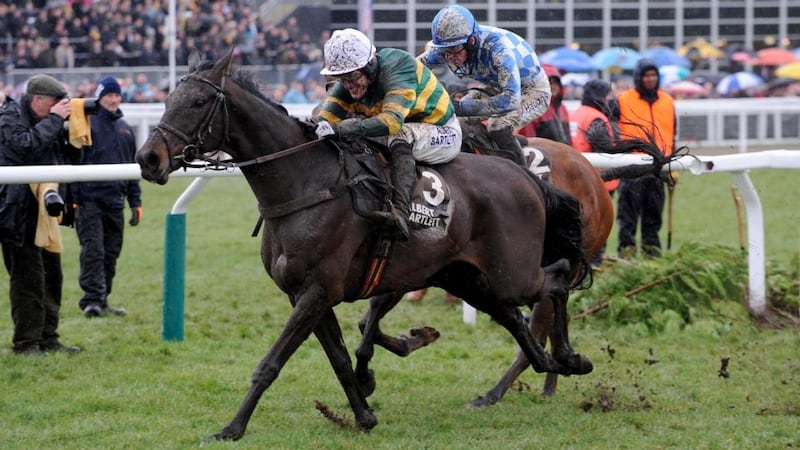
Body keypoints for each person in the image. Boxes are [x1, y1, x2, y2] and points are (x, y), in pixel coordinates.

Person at [314, 28, 462, 241]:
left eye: (352, 75)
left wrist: (340, 129)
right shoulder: (348, 83)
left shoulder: (398, 66)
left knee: (398, 134)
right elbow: (322, 123)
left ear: (370, 66)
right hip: (409, 128)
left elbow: (392, 121)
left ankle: (400, 213)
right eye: (340, 78)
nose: (347, 84)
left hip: (443, 131)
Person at [0, 74, 81, 355]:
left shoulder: (49, 120)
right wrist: (56, 120)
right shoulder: (9, 116)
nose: (61, 107)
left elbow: (63, 161)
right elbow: (25, 147)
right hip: (16, 212)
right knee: (28, 280)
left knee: (52, 276)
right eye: (56, 103)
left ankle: (48, 339)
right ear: (37, 100)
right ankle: (26, 344)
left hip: (45, 211)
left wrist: (75, 132)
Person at [418, 5, 550, 166]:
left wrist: (460, 106)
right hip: (497, 88)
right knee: (453, 120)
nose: (450, 56)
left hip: (532, 91)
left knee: (498, 126)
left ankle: (524, 175)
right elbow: (413, 67)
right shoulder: (450, 45)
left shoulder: (499, 50)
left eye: (455, 49)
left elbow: (510, 101)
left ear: (472, 41)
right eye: (445, 50)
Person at [72, 76, 142, 318]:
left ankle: (103, 299)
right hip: (88, 200)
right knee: (94, 250)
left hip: (115, 201)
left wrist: (136, 202)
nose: (113, 100)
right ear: (99, 98)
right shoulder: (86, 124)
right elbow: (74, 163)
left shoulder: (125, 129)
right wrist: (74, 201)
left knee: (111, 251)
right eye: (108, 95)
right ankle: (91, 300)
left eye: (116, 95)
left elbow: (132, 169)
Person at [613, 59, 676, 258]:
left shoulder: (668, 101)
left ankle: (652, 256)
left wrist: (671, 166)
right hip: (631, 167)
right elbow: (613, 132)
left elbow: (672, 135)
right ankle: (627, 255)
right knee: (628, 218)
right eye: (646, 75)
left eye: (653, 75)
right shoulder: (622, 99)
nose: (650, 79)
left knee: (653, 216)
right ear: (638, 77)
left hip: (658, 169)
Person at [569, 79, 618, 264]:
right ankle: (594, 262)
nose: (610, 100)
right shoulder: (595, 118)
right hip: (597, 182)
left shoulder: (576, 114)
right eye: (608, 96)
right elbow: (605, 148)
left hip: (575, 178)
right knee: (596, 227)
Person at [518, 63, 571, 145]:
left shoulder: (562, 108)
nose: (553, 86)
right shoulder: (533, 108)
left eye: (555, 82)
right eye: (549, 82)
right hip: (543, 155)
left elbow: (568, 138)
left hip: (563, 155)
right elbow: (528, 140)